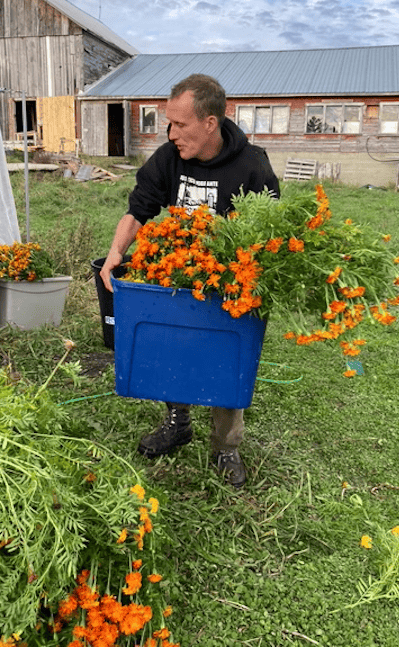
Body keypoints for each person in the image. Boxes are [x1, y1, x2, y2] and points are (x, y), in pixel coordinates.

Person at [100, 73, 280, 488]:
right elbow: (139, 208)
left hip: (229, 283)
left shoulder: (252, 166)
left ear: (210, 123)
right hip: (180, 274)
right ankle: (177, 422)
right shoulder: (169, 158)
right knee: (174, 349)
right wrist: (115, 255)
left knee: (226, 360)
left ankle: (225, 447)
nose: (171, 133)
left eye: (180, 125)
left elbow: (270, 232)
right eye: (169, 123)